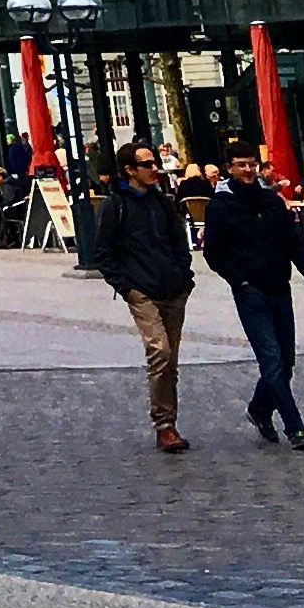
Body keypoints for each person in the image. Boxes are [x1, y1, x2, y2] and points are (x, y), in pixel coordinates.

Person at [200, 144, 304, 448]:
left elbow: (293, 244)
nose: (247, 170)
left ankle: (259, 409)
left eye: (251, 164)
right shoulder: (221, 206)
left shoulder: (270, 201)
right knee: (271, 360)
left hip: (279, 288)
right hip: (250, 291)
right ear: (229, 167)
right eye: (241, 164)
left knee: (287, 361)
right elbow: (213, 252)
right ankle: (295, 428)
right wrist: (238, 279)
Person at [86, 140, 197, 450]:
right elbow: (103, 253)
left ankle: (169, 423)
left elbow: (178, 242)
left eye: (154, 163)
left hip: (173, 289)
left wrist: (184, 276)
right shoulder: (116, 205)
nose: (154, 169)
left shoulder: (163, 202)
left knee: (170, 360)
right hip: (142, 291)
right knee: (159, 351)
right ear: (129, 170)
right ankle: (163, 425)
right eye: (147, 164)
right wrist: (127, 289)